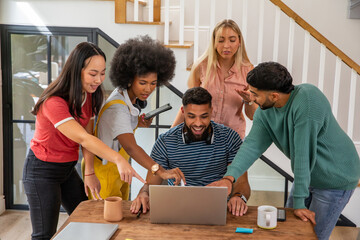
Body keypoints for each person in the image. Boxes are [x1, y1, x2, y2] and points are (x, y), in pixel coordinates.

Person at [209, 62, 360, 240]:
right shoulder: (265, 112)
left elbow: (303, 154)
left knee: (313, 236)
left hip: (335, 176)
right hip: (308, 174)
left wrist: (299, 203)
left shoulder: (308, 100)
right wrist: (229, 178)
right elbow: (251, 146)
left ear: (274, 95)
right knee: (289, 231)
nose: (251, 98)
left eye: (255, 94)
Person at [22, 42, 145, 240]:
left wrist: (89, 171)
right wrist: (119, 159)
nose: (99, 80)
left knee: (89, 218)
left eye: (103, 73)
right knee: (44, 235)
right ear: (76, 71)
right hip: (42, 171)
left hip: (67, 170)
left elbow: (89, 134)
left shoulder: (89, 96)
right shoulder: (54, 102)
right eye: (93, 73)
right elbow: (82, 138)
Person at [87, 35, 186, 200]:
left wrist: (137, 123)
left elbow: (117, 128)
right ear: (129, 79)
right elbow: (132, 148)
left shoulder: (125, 97)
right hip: (104, 174)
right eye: (142, 83)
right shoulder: (118, 109)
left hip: (118, 171)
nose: (148, 89)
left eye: (153, 83)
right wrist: (160, 171)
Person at [131, 87, 251, 216]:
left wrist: (238, 197)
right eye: (191, 116)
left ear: (211, 111)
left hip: (220, 210)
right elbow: (150, 185)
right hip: (176, 209)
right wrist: (143, 194)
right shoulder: (165, 141)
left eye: (204, 116)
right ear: (183, 111)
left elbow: (242, 182)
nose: (198, 123)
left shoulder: (230, 138)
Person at [172, 19, 257, 140]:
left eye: (232, 40)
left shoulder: (248, 70)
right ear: (214, 42)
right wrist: (171, 133)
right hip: (202, 135)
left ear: (239, 42)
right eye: (221, 40)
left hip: (232, 137)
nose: (226, 45)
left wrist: (249, 101)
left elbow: (253, 116)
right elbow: (188, 105)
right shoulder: (201, 66)